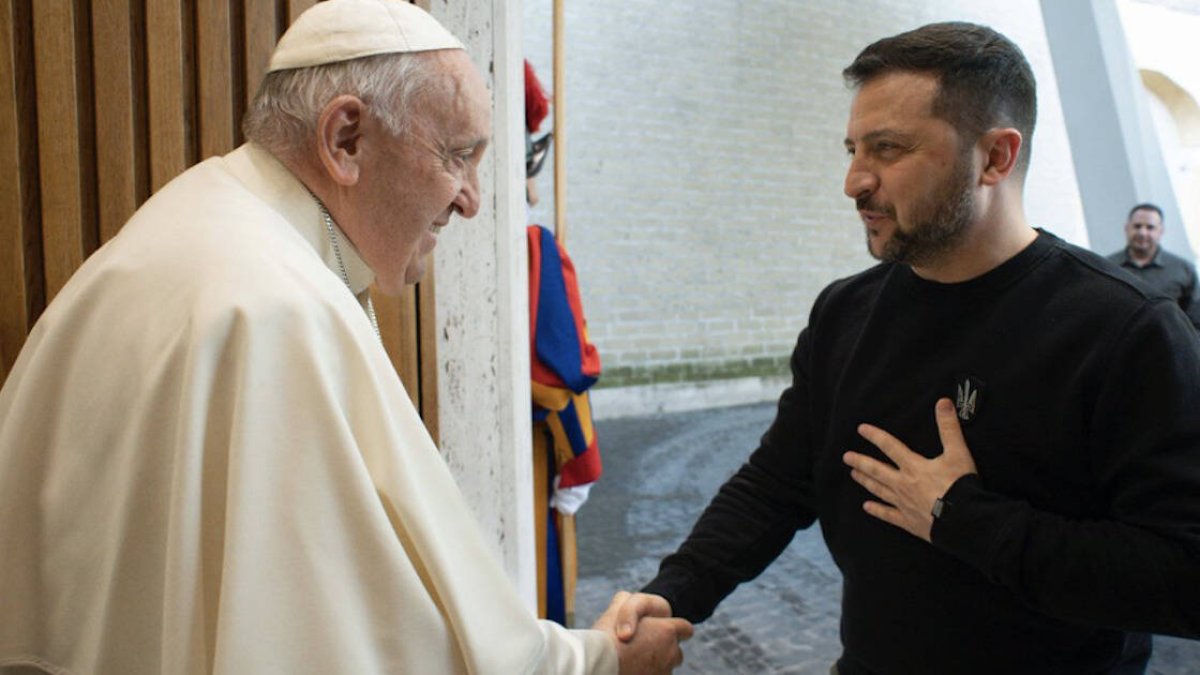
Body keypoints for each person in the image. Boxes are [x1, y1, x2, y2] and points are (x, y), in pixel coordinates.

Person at [0, 1, 691, 673]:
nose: (472, 198)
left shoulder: (192, 220)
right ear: (345, 140)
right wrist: (599, 662)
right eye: (458, 156)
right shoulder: (276, 309)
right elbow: (380, 641)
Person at [615, 21, 1200, 674]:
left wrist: (965, 518)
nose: (854, 181)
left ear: (995, 158)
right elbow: (777, 484)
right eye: (852, 149)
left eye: (887, 150)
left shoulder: (1126, 332)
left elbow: (1183, 573)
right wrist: (672, 593)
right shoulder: (845, 313)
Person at [1107, 202, 1200, 330]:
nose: (1142, 233)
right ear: (1126, 228)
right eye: (1137, 226)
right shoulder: (1107, 267)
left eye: (1150, 227)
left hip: (1167, 348)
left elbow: (1195, 320)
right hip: (1121, 348)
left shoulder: (1184, 270)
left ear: (1161, 231)